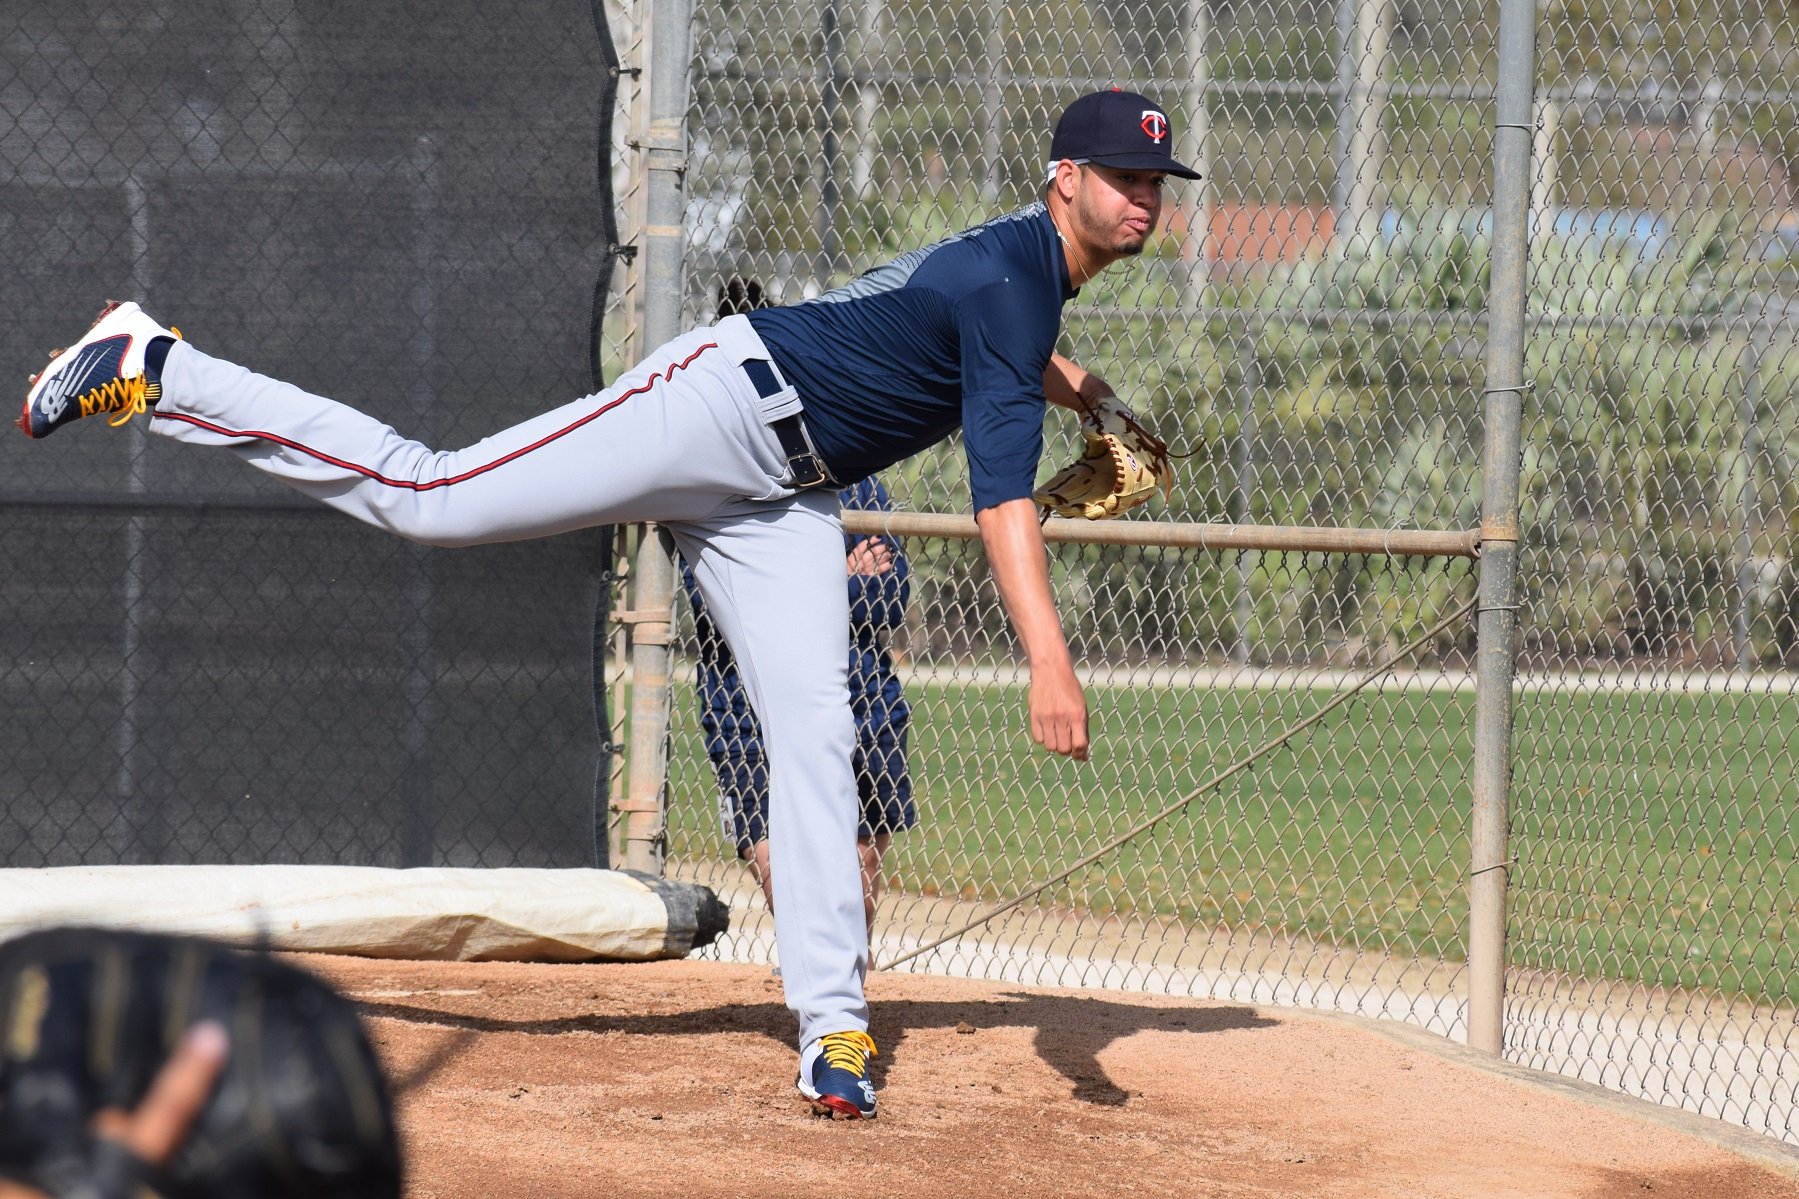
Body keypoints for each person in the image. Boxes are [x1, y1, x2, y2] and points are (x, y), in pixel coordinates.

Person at [18, 86, 1199, 1120]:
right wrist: (1047, 658)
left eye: (1155, 178)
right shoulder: (1012, 276)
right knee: (432, 494)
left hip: (785, 499)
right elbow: (1002, 505)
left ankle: (832, 1025)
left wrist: (1084, 387)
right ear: (1064, 180)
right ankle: (160, 364)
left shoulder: (1025, 274)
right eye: (1122, 175)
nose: (1142, 195)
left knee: (817, 728)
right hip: (718, 406)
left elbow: (995, 338)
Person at [681, 472, 914, 951]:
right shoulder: (716, 475)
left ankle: (849, 1003)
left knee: (858, 879)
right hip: (744, 699)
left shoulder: (859, 480)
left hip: (862, 693)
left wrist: (786, 582)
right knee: (783, 875)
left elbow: (891, 601)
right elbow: (720, 600)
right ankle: (818, 998)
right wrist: (842, 576)